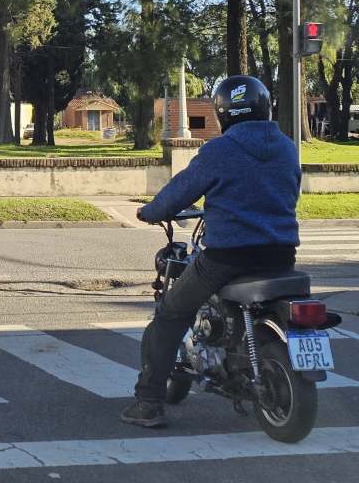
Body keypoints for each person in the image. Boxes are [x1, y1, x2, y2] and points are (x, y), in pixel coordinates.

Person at [120, 75, 301, 429]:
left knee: (171, 314)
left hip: (228, 257)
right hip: (282, 254)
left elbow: (179, 192)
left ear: (223, 112)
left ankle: (148, 403)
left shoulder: (220, 150)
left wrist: (151, 211)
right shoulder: (285, 146)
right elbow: (291, 190)